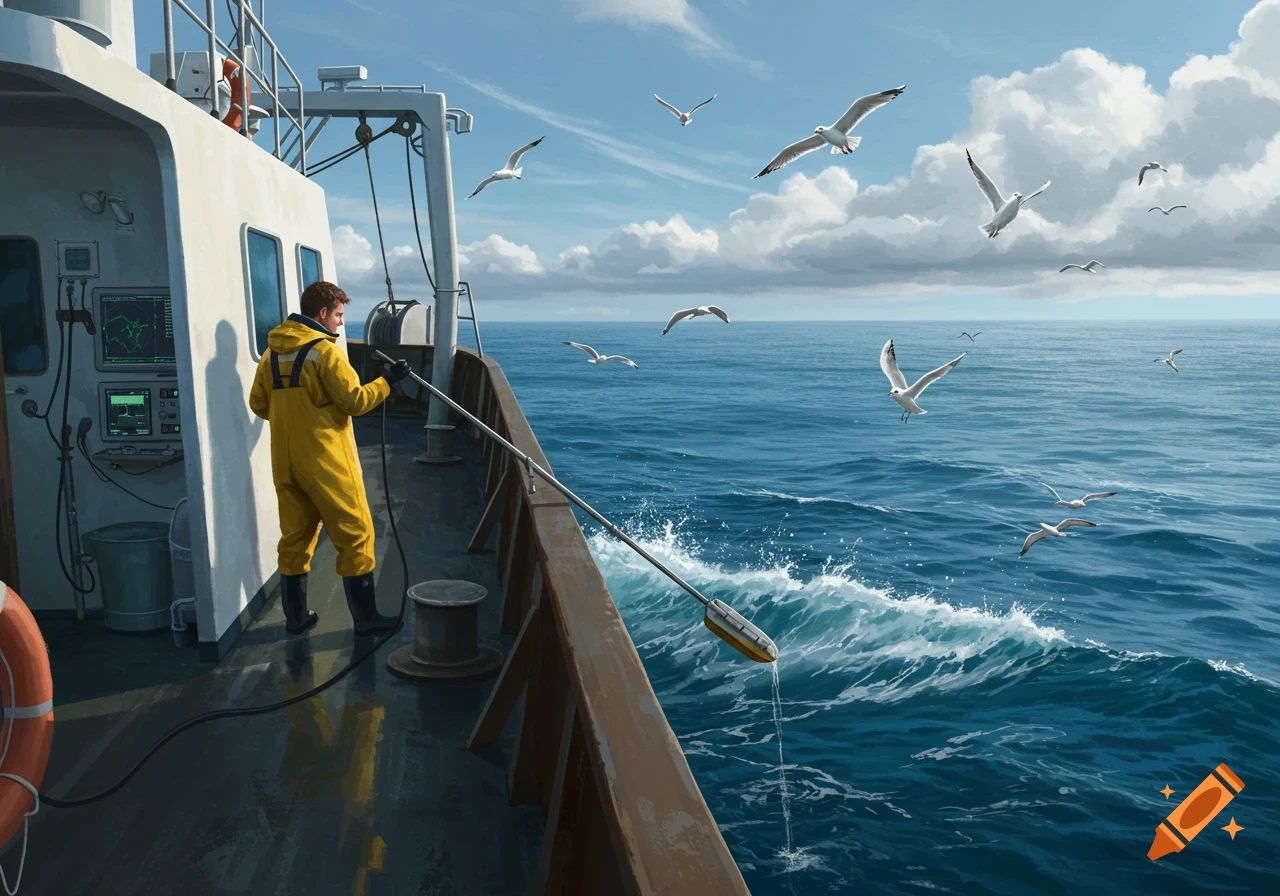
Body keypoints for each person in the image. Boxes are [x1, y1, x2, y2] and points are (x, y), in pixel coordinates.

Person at [249, 280, 411, 636]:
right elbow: (355, 402)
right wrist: (388, 380)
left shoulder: (271, 354)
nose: (340, 323)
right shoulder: (326, 352)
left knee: (295, 538)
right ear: (322, 313)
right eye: (338, 315)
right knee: (356, 535)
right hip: (325, 461)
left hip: (285, 461)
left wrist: (295, 415)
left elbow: (258, 405)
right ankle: (367, 621)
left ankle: (296, 618)